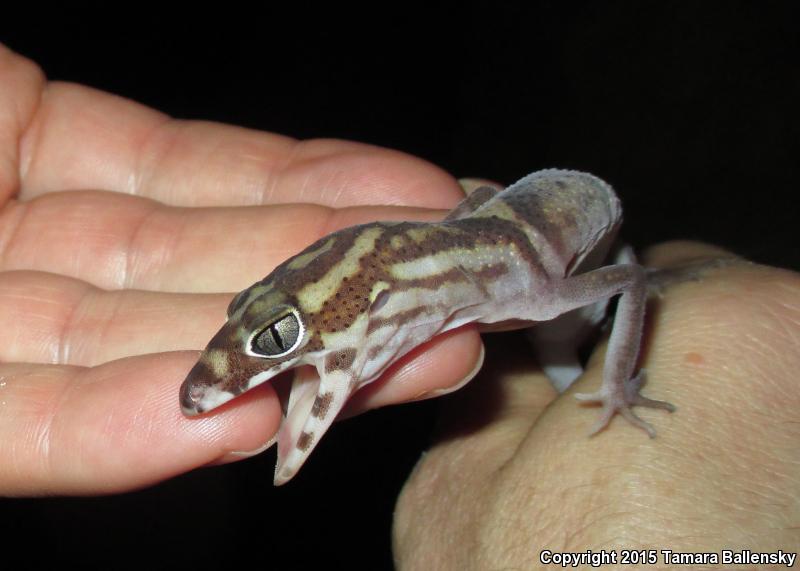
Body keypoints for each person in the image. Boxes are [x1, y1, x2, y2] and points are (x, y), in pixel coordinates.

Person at [1, 44, 797, 564]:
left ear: (380, 300)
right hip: (490, 239)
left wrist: (620, 384)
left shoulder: (524, 279)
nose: (261, 361)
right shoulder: (444, 275)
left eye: (280, 336)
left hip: (589, 245)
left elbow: (623, 283)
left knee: (588, 327)